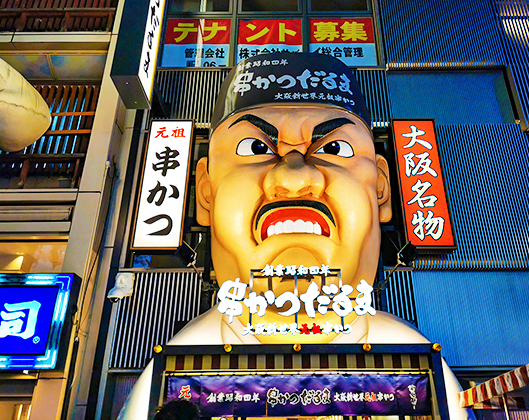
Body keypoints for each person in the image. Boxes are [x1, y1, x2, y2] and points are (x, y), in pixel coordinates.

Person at [118, 52, 474, 420]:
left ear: (381, 187)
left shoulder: (411, 363)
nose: (294, 178)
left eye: (335, 149)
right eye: (255, 148)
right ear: (205, 191)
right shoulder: (183, 365)